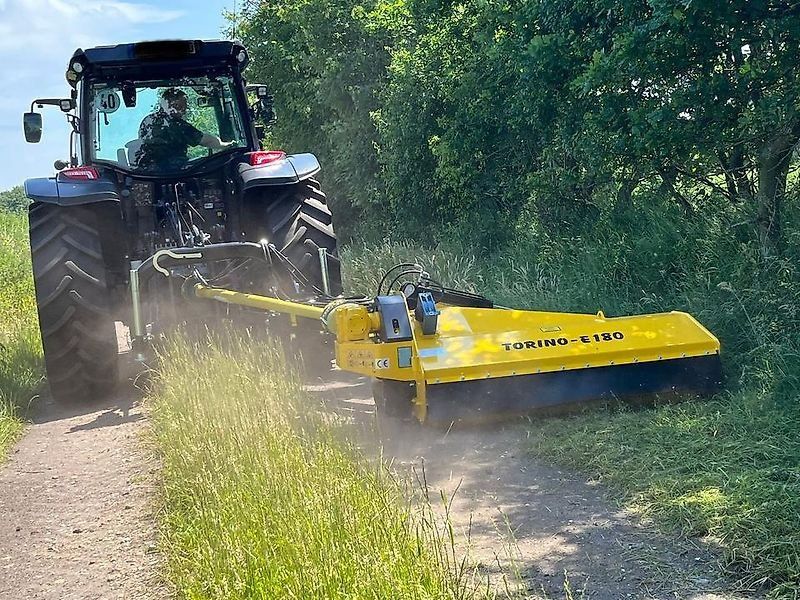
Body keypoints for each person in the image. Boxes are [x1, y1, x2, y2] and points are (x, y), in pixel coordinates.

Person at [135, 88, 232, 169]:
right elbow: (206, 141)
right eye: (183, 106)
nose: (185, 110)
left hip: (147, 170)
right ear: (173, 105)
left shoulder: (147, 120)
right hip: (173, 171)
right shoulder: (177, 125)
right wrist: (226, 145)